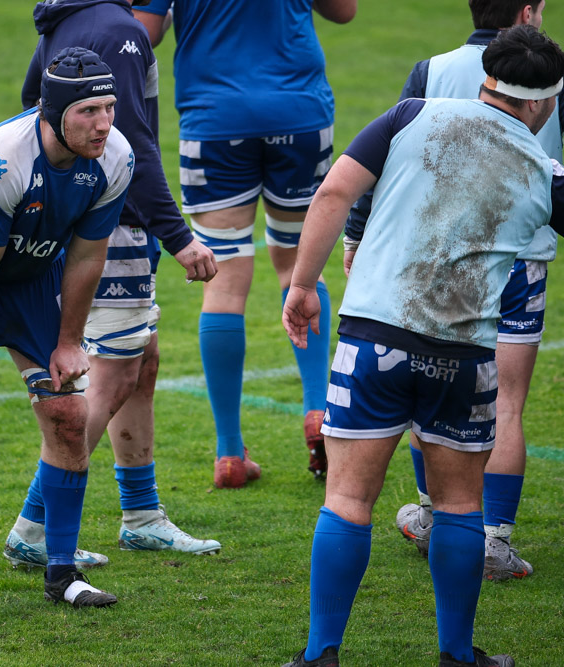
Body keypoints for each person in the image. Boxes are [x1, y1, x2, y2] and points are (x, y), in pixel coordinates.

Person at [281, 24, 564, 667]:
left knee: (348, 501)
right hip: (464, 358)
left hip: (373, 336)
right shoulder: (546, 174)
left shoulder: (410, 116)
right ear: (545, 102)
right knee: (462, 507)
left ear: (489, 75)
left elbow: (333, 194)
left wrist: (302, 286)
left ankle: (321, 653)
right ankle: (458, 656)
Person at [0, 46, 134, 621]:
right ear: (53, 111)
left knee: (67, 415)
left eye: (109, 108)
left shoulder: (116, 159)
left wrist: (68, 341)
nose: (104, 123)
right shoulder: (2, 157)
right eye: (88, 111)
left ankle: (61, 572)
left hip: (35, 275)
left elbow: (86, 259)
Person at [0, 0, 222, 571]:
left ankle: (142, 517)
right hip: (114, 219)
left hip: (89, 211)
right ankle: (34, 525)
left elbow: (35, 100)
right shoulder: (121, 30)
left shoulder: (68, 19)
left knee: (141, 359)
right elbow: (128, 143)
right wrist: (178, 237)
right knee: (118, 368)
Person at [345, 0, 559, 583]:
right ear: (525, 12)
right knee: (505, 404)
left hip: (429, 262)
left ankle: (436, 517)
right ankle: (492, 537)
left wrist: (355, 236)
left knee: (422, 395)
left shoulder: (431, 71)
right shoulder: (551, 77)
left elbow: (374, 161)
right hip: (521, 257)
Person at [134, 0, 357, 487]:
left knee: (225, 282)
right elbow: (344, 11)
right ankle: (320, 411)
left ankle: (230, 453)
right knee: (301, 266)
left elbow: (142, 32)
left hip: (214, 116)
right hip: (298, 111)